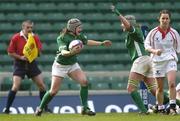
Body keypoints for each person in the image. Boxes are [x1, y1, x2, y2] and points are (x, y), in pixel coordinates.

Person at [35, 18, 112, 116]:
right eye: (79, 27)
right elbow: (63, 52)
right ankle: (40, 108)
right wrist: (71, 52)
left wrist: (101, 43)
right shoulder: (62, 38)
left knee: (84, 82)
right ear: (72, 28)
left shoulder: (79, 36)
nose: (81, 28)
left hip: (72, 64)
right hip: (60, 66)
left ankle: (84, 108)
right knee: (53, 91)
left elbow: (87, 41)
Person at [111, 5, 157, 114]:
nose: (121, 25)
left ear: (129, 23)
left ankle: (145, 111)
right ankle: (175, 103)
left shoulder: (134, 30)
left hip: (141, 60)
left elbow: (127, 25)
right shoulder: (135, 32)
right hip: (148, 60)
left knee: (131, 88)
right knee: (155, 91)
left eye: (123, 23)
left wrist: (118, 13)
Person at [3, 20, 51, 114]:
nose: (30, 29)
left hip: (31, 63)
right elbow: (10, 52)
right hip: (19, 64)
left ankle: (45, 108)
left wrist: (33, 54)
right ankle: (7, 109)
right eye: (28, 27)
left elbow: (39, 51)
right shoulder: (16, 37)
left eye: (31, 27)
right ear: (23, 27)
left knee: (41, 86)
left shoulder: (34, 38)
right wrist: (20, 57)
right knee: (15, 86)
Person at [144, 9, 180, 115]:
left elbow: (178, 49)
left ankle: (173, 107)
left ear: (170, 20)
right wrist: (155, 51)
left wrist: (172, 56)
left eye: (167, 18)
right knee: (159, 88)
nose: (165, 20)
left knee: (172, 83)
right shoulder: (153, 32)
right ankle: (160, 108)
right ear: (159, 19)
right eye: (163, 18)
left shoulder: (174, 33)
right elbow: (146, 46)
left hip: (170, 60)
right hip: (157, 62)